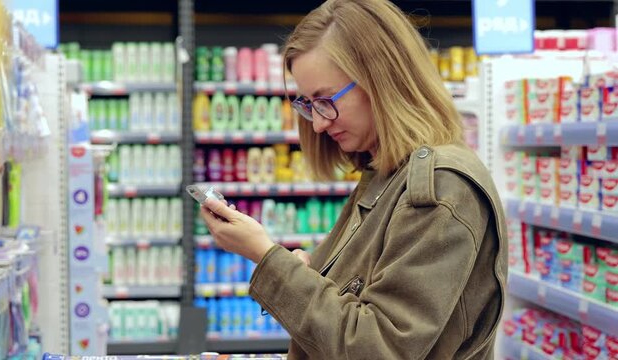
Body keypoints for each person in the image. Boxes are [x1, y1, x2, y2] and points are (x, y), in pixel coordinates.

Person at [199, 0, 508, 358]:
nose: (317, 124)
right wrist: (305, 274)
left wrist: (266, 256)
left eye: (325, 100)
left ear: (382, 80)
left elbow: (375, 347)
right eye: (307, 104)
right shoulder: (387, 173)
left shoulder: (440, 188)